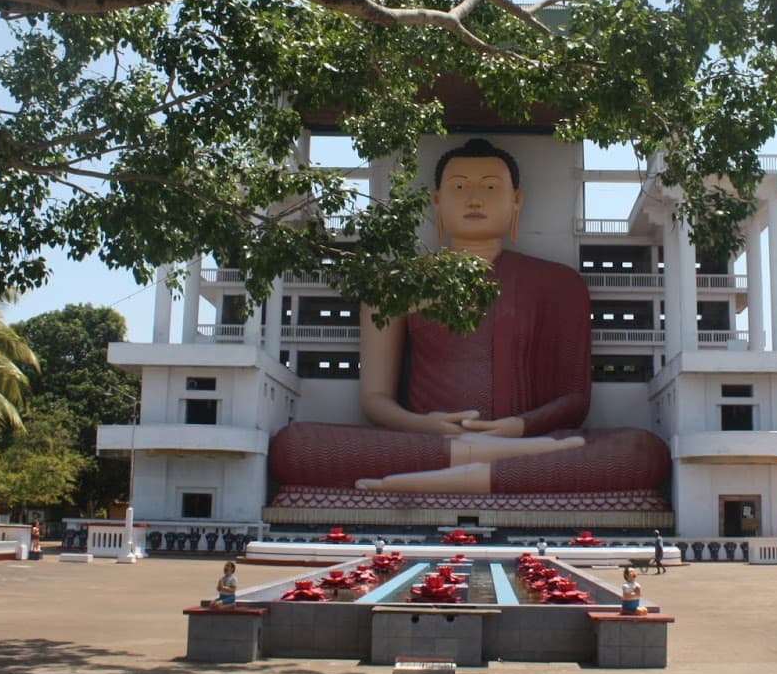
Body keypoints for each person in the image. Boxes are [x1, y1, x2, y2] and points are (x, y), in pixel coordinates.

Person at [268, 139, 671, 494]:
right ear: (436, 201)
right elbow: (375, 400)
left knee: (641, 453)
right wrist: (427, 426)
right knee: (294, 446)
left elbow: (574, 400)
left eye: (491, 187)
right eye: (459, 187)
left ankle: (452, 472)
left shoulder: (559, 284)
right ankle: (494, 467)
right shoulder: (395, 285)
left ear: (516, 201)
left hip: (528, 440)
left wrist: (518, 427)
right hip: (432, 442)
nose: (474, 199)